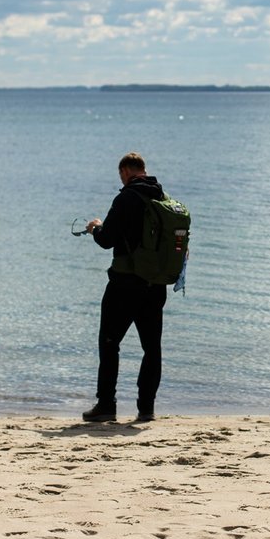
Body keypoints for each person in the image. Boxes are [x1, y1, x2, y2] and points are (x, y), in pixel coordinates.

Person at [82, 152, 168, 423]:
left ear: (125, 172)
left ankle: (106, 405)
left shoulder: (127, 197)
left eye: (121, 175)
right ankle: (146, 409)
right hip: (155, 285)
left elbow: (107, 240)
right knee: (151, 348)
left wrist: (95, 228)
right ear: (144, 170)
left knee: (109, 343)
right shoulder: (163, 199)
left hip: (124, 285)